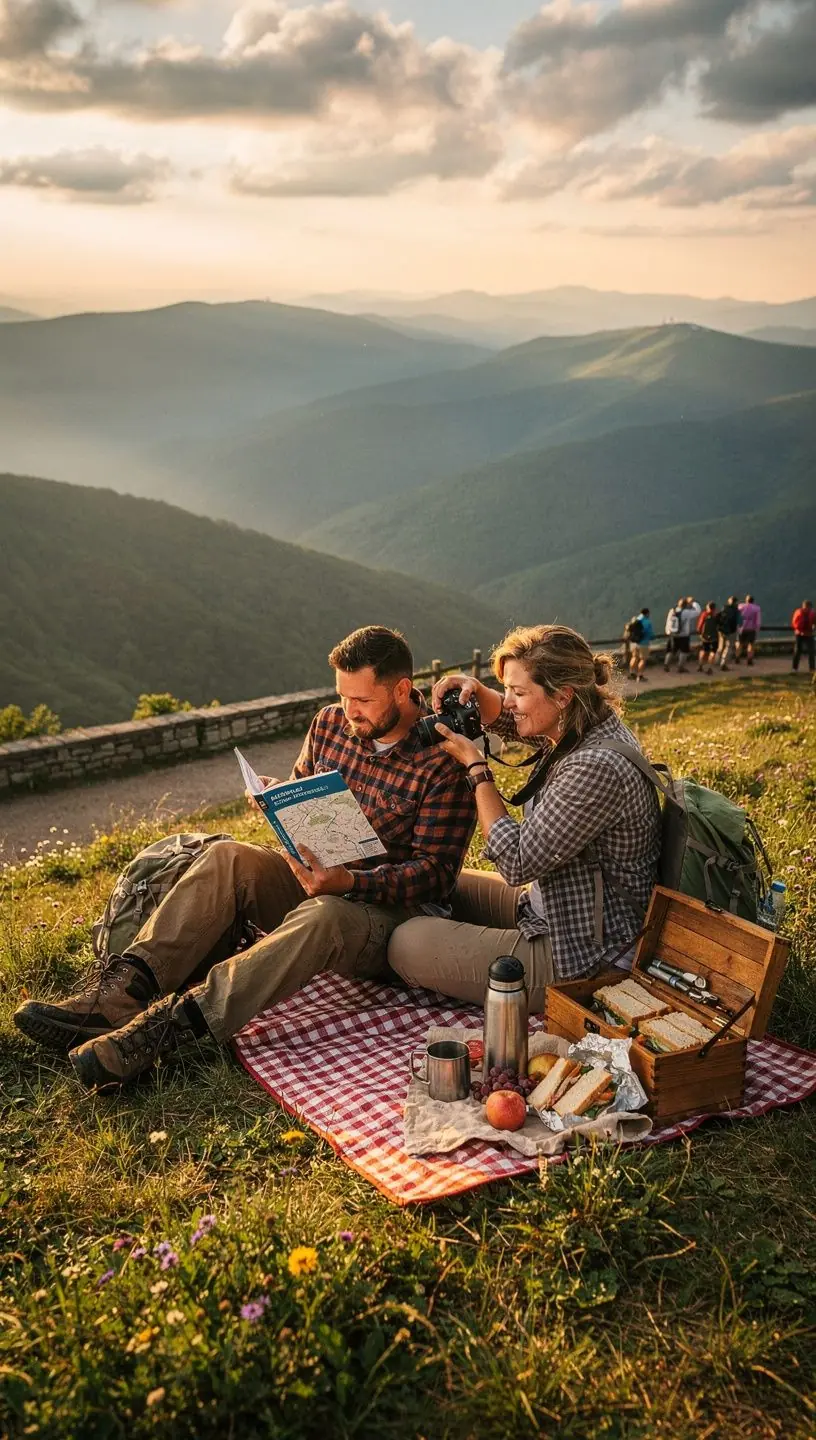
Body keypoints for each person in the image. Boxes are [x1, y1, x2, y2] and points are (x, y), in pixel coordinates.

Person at [14, 626, 476, 1090]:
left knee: (325, 915)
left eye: (362, 701)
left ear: (400, 689)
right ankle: (119, 997)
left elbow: (436, 875)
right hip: (317, 879)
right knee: (229, 855)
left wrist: (352, 885)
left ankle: (165, 1031)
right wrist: (279, 798)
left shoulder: (443, 757)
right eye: (342, 696)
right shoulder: (330, 723)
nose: (349, 712)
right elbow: (303, 789)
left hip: (387, 917)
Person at [387, 625, 662, 1012]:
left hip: (582, 954)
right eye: (508, 690)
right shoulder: (587, 724)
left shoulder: (596, 766)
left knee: (406, 943)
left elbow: (516, 863)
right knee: (436, 882)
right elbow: (521, 723)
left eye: (519, 692)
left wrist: (477, 769)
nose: (510, 702)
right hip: (553, 906)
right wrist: (478, 693)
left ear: (563, 696)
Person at [627, 607, 654, 683]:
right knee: (643, 659)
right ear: (647, 613)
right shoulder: (647, 622)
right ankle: (640, 675)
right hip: (644, 643)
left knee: (634, 657)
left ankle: (632, 673)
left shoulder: (635, 620)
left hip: (634, 643)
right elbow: (650, 634)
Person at [791, 599, 815, 673]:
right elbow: (794, 623)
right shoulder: (810, 613)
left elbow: (794, 623)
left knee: (808, 651)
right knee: (801, 651)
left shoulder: (799, 612)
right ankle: (796, 668)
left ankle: (810, 668)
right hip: (803, 634)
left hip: (803, 634)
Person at [717, 595, 740, 670]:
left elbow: (718, 617)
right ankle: (723, 664)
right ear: (736, 602)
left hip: (721, 630)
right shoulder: (736, 611)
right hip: (731, 631)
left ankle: (716, 661)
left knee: (720, 646)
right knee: (729, 647)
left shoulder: (724, 608)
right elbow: (740, 622)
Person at [696, 602, 720, 674]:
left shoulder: (704, 614)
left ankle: (700, 666)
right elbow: (719, 625)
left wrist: (700, 633)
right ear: (714, 608)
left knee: (704, 650)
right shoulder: (717, 616)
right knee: (713, 652)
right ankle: (709, 668)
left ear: (708, 607)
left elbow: (699, 625)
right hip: (714, 637)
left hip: (705, 637)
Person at [737, 594, 761, 665]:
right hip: (751, 629)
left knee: (740, 644)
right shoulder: (756, 608)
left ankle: (737, 657)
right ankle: (749, 659)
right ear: (753, 601)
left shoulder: (740, 606)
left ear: (746, 600)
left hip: (741, 628)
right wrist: (757, 628)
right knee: (751, 644)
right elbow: (758, 620)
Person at [664, 598, 686, 672]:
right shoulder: (686, 612)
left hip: (672, 634)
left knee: (671, 650)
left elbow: (668, 621)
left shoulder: (672, 610)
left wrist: (667, 631)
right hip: (682, 635)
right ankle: (680, 667)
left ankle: (666, 664)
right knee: (684, 651)